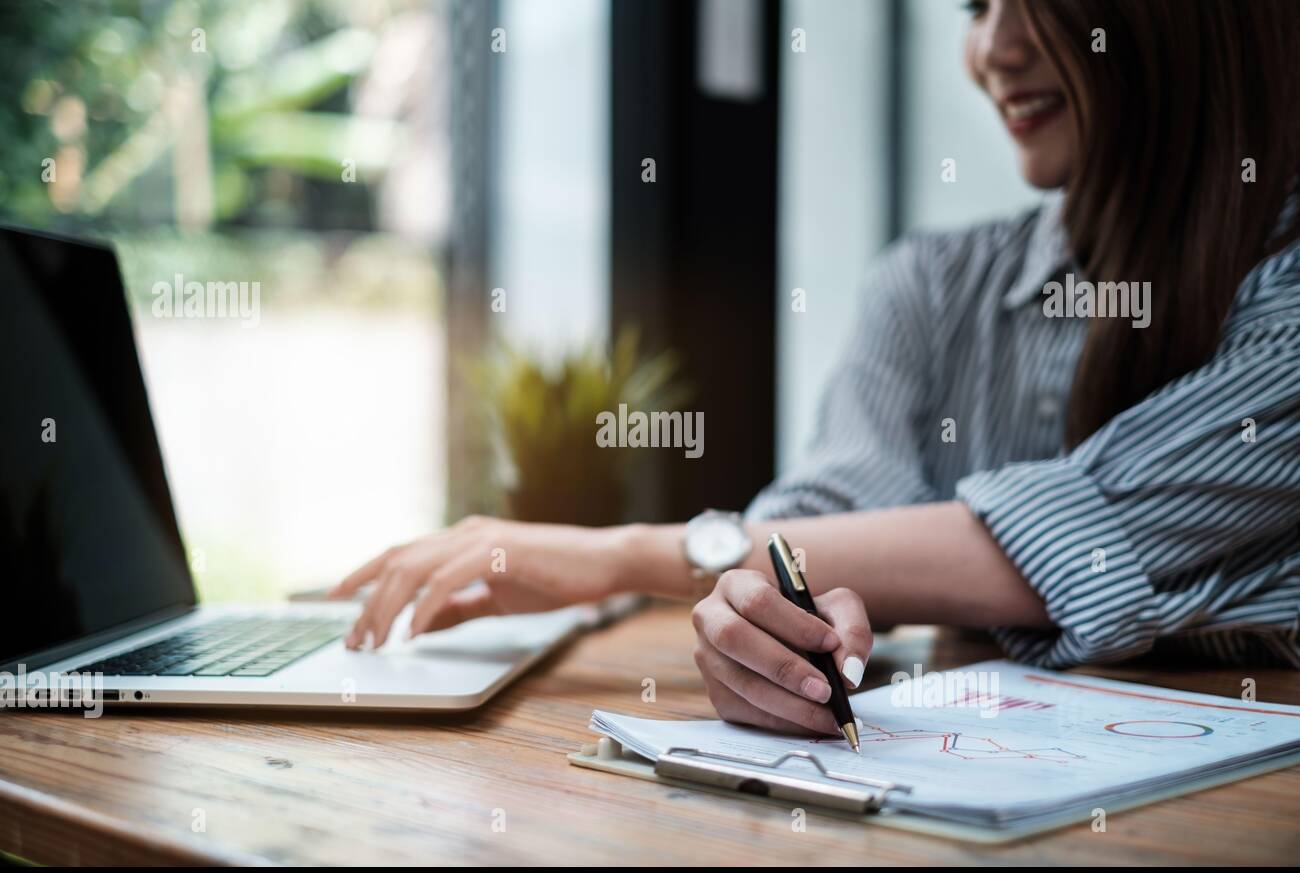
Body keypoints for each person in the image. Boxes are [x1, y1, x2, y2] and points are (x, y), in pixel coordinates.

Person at [332, 0, 1300, 737]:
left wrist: (614, 556)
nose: (992, 49)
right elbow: (821, 525)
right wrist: (775, 612)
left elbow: (1064, 542)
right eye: (972, 6)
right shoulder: (927, 283)